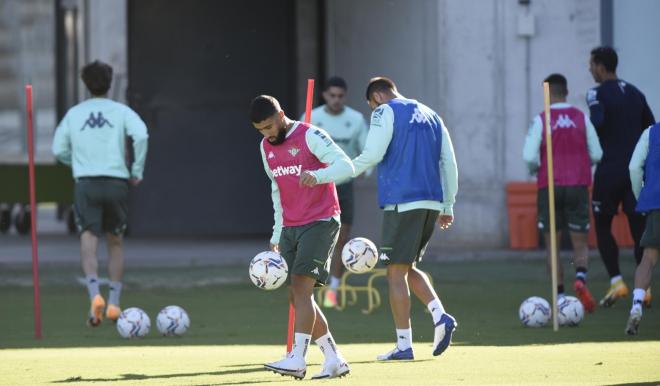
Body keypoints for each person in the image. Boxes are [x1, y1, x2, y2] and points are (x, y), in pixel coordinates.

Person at [351, 77, 458, 361]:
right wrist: (448, 203)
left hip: (402, 201)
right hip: (431, 202)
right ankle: (439, 316)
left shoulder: (384, 111)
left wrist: (341, 171)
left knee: (394, 273)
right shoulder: (432, 114)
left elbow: (372, 154)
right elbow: (448, 160)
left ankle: (404, 346)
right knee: (406, 266)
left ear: (377, 97)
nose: (373, 110)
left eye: (372, 106)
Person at [251, 95, 354, 379]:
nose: (267, 133)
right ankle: (334, 358)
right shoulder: (265, 147)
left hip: (321, 220)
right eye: (261, 129)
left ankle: (297, 358)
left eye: (270, 126)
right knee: (297, 296)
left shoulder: (311, 135)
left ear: (281, 115)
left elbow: (346, 166)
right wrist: (276, 232)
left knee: (302, 289)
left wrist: (318, 176)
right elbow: (277, 191)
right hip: (290, 226)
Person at [52, 60, 149, 327]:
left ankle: (94, 296)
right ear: (109, 83)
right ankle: (115, 302)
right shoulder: (120, 111)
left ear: (85, 84)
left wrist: (78, 162)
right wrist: (136, 169)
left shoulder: (74, 114)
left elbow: (58, 149)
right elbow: (141, 135)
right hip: (117, 181)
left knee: (88, 239)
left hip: (86, 183)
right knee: (115, 242)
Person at [523, 73, 602, 312]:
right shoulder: (581, 118)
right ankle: (580, 277)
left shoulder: (542, 119)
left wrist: (535, 168)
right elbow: (597, 154)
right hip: (578, 184)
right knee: (579, 242)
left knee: (553, 245)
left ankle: (559, 297)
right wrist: (583, 165)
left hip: (549, 185)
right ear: (566, 91)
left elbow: (528, 156)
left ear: (547, 92)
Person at [587, 46, 655, 307]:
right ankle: (644, 289)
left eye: (591, 64)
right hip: (636, 171)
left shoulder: (595, 92)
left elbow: (598, 122)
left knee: (603, 224)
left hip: (609, 170)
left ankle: (617, 282)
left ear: (601, 67)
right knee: (638, 228)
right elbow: (650, 126)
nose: (589, 69)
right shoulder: (636, 92)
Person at [302, 76, 369, 308]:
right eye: (332, 95)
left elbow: (367, 151)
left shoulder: (356, 119)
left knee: (342, 237)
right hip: (317, 185)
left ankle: (334, 289)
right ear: (324, 95)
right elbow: (299, 148)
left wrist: (362, 171)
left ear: (345, 96)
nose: (336, 100)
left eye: (340, 96)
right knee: (315, 235)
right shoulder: (312, 118)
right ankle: (310, 285)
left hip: (343, 185)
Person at [626, 121, 660, 335]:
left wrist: (642, 198)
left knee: (648, 259)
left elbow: (633, 167)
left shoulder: (651, 133)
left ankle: (637, 304)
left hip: (656, 203)